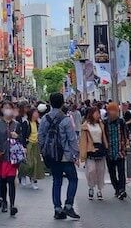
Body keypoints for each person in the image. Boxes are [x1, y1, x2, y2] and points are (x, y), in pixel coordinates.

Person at [38, 93, 81, 221]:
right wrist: (75, 154)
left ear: (50, 103)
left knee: (56, 181)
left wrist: (44, 151)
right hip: (66, 156)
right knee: (73, 179)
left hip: (52, 156)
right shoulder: (66, 119)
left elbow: (41, 136)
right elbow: (72, 139)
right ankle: (68, 205)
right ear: (63, 103)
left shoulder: (45, 119)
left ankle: (57, 208)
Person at [0, 101, 20, 216]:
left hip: (12, 157)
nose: (7, 110)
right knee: (2, 182)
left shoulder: (16, 124)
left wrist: (17, 137)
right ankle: (4, 202)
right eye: (5, 108)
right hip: (1, 157)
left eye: (9, 108)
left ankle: (12, 205)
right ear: (2, 110)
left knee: (11, 181)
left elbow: (21, 141)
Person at [79, 107, 107, 201]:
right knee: (91, 170)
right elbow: (83, 140)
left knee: (101, 170)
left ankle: (99, 189)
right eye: (96, 113)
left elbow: (104, 137)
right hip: (90, 149)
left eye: (98, 113)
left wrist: (106, 147)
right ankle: (91, 187)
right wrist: (83, 153)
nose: (97, 115)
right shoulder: (85, 125)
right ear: (91, 114)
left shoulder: (101, 124)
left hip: (100, 148)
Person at [104, 103, 128, 200]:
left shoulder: (121, 121)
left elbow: (126, 134)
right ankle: (117, 189)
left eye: (115, 110)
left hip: (120, 150)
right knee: (112, 172)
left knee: (121, 171)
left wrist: (126, 144)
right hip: (109, 152)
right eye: (111, 110)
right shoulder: (105, 122)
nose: (113, 112)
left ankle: (122, 189)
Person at [23, 108, 44, 190]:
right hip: (29, 145)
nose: (37, 114)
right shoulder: (26, 123)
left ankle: (34, 180)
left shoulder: (38, 123)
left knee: (36, 163)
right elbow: (23, 135)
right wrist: (24, 146)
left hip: (36, 144)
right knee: (29, 163)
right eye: (35, 113)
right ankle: (24, 174)